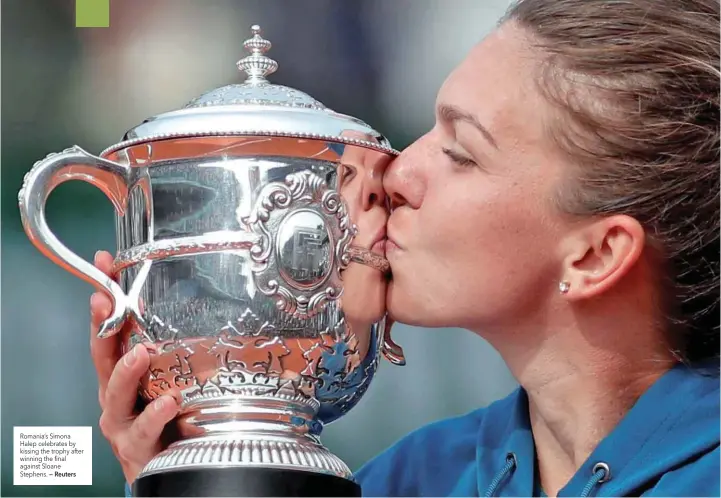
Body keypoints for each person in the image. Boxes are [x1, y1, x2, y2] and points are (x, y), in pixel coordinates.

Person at [89, 0, 719, 495]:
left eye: (461, 154)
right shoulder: (413, 476)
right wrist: (197, 479)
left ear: (596, 256)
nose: (395, 173)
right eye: (428, 129)